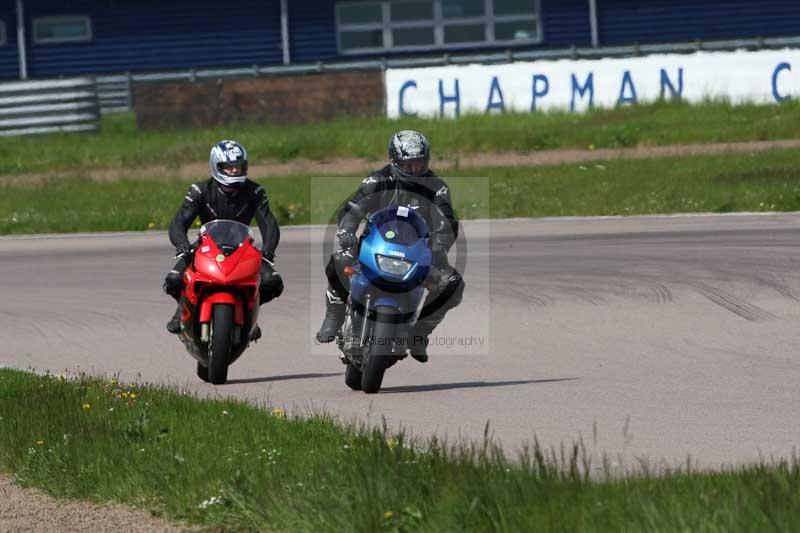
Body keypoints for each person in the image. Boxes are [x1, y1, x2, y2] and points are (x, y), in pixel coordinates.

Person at [315, 130, 464, 363]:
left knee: (452, 284)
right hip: (373, 245)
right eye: (408, 164)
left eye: (419, 163)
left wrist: (439, 249)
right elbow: (353, 208)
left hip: (418, 253)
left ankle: (419, 335)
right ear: (394, 161)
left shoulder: (437, 186)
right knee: (339, 259)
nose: (415, 169)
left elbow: (447, 222)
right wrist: (346, 233)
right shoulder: (377, 180)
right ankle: (334, 314)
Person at [163, 140, 283, 335]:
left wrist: (268, 249)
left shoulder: (256, 191)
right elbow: (178, 223)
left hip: (243, 247)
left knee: (273, 283)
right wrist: (182, 244)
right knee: (173, 280)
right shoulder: (199, 191)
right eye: (229, 167)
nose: (234, 171)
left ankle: (248, 314)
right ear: (216, 166)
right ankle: (182, 311)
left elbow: (269, 223)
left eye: (238, 166)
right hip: (205, 246)